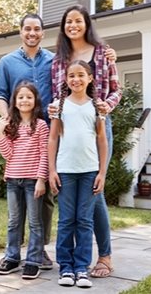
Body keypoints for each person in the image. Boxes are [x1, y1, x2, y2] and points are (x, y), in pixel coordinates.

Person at [0, 13, 117, 270]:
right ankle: (28, 252)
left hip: (73, 127)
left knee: (83, 191)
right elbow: (0, 94)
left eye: (37, 29)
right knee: (41, 190)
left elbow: (105, 87)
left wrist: (106, 101)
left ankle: (96, 255)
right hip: (36, 132)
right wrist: (7, 121)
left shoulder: (63, 58)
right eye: (27, 28)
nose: (32, 33)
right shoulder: (21, 61)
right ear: (20, 31)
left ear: (43, 32)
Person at [50, 4, 121, 278]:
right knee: (76, 205)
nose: (73, 26)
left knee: (96, 189)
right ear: (63, 26)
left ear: (86, 24)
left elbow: (116, 89)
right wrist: (53, 111)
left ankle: (104, 256)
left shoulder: (103, 52)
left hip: (98, 123)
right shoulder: (59, 59)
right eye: (68, 21)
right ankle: (74, 260)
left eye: (78, 21)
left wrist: (106, 106)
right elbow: (55, 94)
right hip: (68, 126)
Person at [48, 60, 108, 288]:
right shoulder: (58, 106)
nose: (76, 79)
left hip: (89, 171)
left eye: (81, 75)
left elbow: (102, 140)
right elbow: (53, 138)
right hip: (65, 171)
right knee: (65, 221)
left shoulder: (97, 107)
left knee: (84, 221)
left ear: (90, 78)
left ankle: (82, 268)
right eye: (71, 75)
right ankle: (66, 267)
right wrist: (52, 170)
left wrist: (102, 172)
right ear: (66, 79)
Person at [0, 82, 49, 279]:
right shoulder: (11, 125)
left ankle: (33, 261)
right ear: (15, 102)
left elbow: (45, 154)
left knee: (35, 222)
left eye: (28, 97)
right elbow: (7, 154)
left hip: (32, 181)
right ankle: (12, 258)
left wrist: (41, 179)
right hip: (12, 180)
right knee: (13, 222)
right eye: (20, 97)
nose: (24, 100)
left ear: (35, 101)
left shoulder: (41, 125)